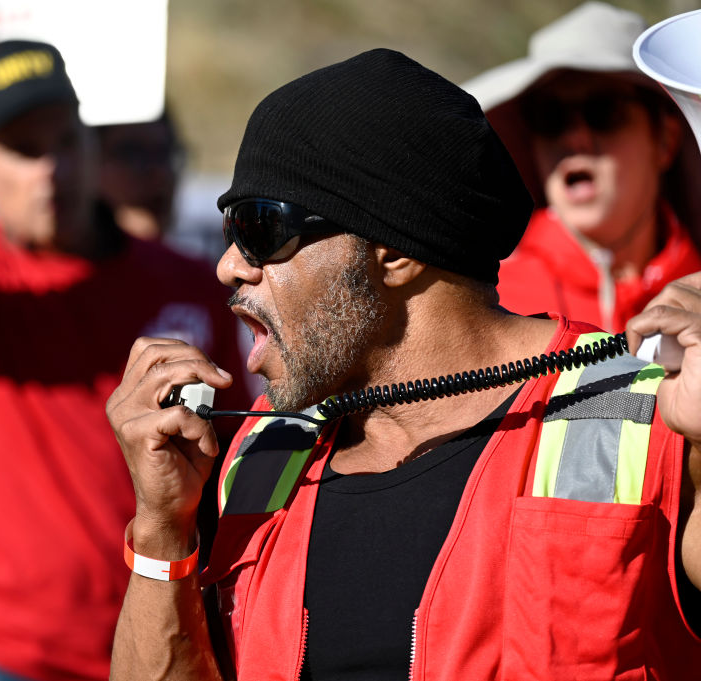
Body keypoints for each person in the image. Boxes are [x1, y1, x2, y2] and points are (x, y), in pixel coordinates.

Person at [106, 47, 701, 680]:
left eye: (259, 228)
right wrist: (162, 532)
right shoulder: (260, 451)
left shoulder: (657, 418)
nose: (229, 265)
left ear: (394, 253)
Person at [0, 1, 248, 679]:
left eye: (64, 141)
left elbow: (229, 463)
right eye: (23, 149)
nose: (50, 169)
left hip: (146, 640)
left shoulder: (186, 279)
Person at [462, 1, 701, 333]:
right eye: (550, 117)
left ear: (665, 141)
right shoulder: (485, 293)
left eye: (605, 111)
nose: (575, 139)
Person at [93, 110, 184, 242]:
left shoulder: (199, 262)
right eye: (131, 154)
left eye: (165, 154)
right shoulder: (59, 260)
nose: (160, 174)